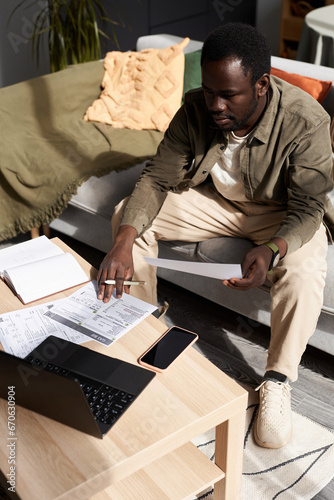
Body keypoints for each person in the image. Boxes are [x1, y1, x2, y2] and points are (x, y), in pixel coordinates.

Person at [97, 23, 334, 449]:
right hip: (216, 205)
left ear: (261, 85)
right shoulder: (195, 108)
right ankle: (147, 335)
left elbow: (309, 207)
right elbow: (156, 179)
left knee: (304, 270)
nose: (215, 104)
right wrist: (122, 241)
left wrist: (273, 249)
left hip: (280, 215)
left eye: (229, 95)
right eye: (209, 91)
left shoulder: (305, 120)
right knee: (127, 219)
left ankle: (277, 382)